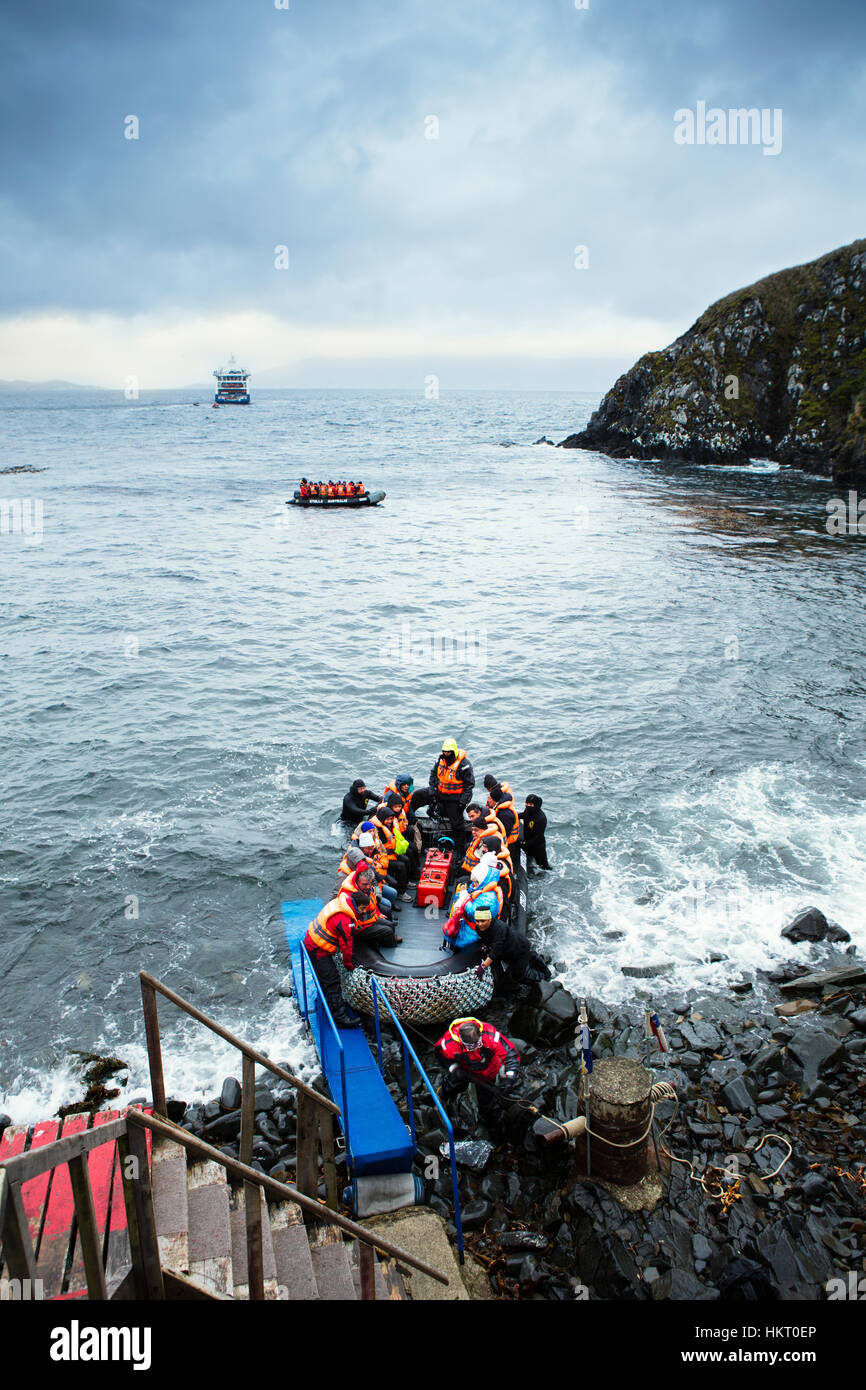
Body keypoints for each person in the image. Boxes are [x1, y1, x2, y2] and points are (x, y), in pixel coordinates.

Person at [436, 1017, 521, 1143]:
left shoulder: (491, 1036)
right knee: (454, 1085)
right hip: (463, 1071)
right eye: (471, 1046)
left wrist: (509, 1078)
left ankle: (493, 1132)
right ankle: (442, 1096)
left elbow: (510, 1055)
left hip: (487, 1072)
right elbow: (440, 1055)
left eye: (478, 1043)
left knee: (487, 1103)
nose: (475, 1047)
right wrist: (453, 1068)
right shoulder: (449, 1044)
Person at [302, 890, 364, 1028]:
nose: (363, 912)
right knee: (332, 980)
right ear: (358, 906)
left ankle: (326, 1000)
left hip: (312, 938)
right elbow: (346, 947)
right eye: (363, 909)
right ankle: (340, 1018)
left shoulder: (340, 903)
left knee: (324, 976)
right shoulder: (345, 920)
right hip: (318, 948)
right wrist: (349, 966)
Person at [474, 907, 550, 994]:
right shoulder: (479, 928)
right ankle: (532, 957)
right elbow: (485, 939)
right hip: (507, 950)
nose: (480, 924)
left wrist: (483, 967)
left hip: (519, 949)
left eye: (483, 921)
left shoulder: (499, 928)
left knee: (520, 975)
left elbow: (496, 951)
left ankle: (544, 977)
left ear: (489, 920)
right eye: (477, 921)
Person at [483, 777, 521, 854]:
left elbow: (506, 831)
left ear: (495, 800)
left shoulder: (504, 814)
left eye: (490, 799)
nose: (488, 801)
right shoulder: (501, 805)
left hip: (510, 842)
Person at [519, 794, 551, 870]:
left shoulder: (541, 819)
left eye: (530, 804)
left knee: (544, 867)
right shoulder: (527, 810)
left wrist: (523, 844)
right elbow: (523, 815)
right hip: (527, 841)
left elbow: (538, 839)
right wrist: (514, 816)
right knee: (528, 863)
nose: (527, 806)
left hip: (538, 847)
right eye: (526, 803)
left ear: (535, 805)